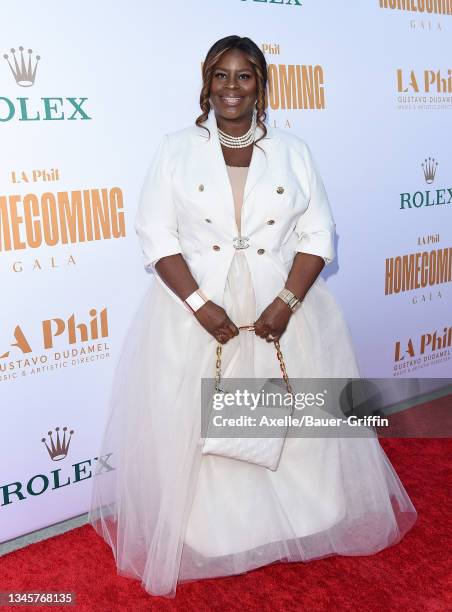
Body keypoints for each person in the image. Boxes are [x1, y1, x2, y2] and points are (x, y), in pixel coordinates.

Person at [88, 35, 417, 599]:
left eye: (244, 76)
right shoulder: (174, 149)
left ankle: (306, 519)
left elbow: (318, 234)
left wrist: (287, 303)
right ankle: (218, 532)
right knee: (199, 425)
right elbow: (155, 235)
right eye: (221, 75)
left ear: (261, 85)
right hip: (195, 310)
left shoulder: (294, 150)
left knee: (292, 416)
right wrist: (198, 304)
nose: (231, 87)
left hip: (282, 306)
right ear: (205, 82)